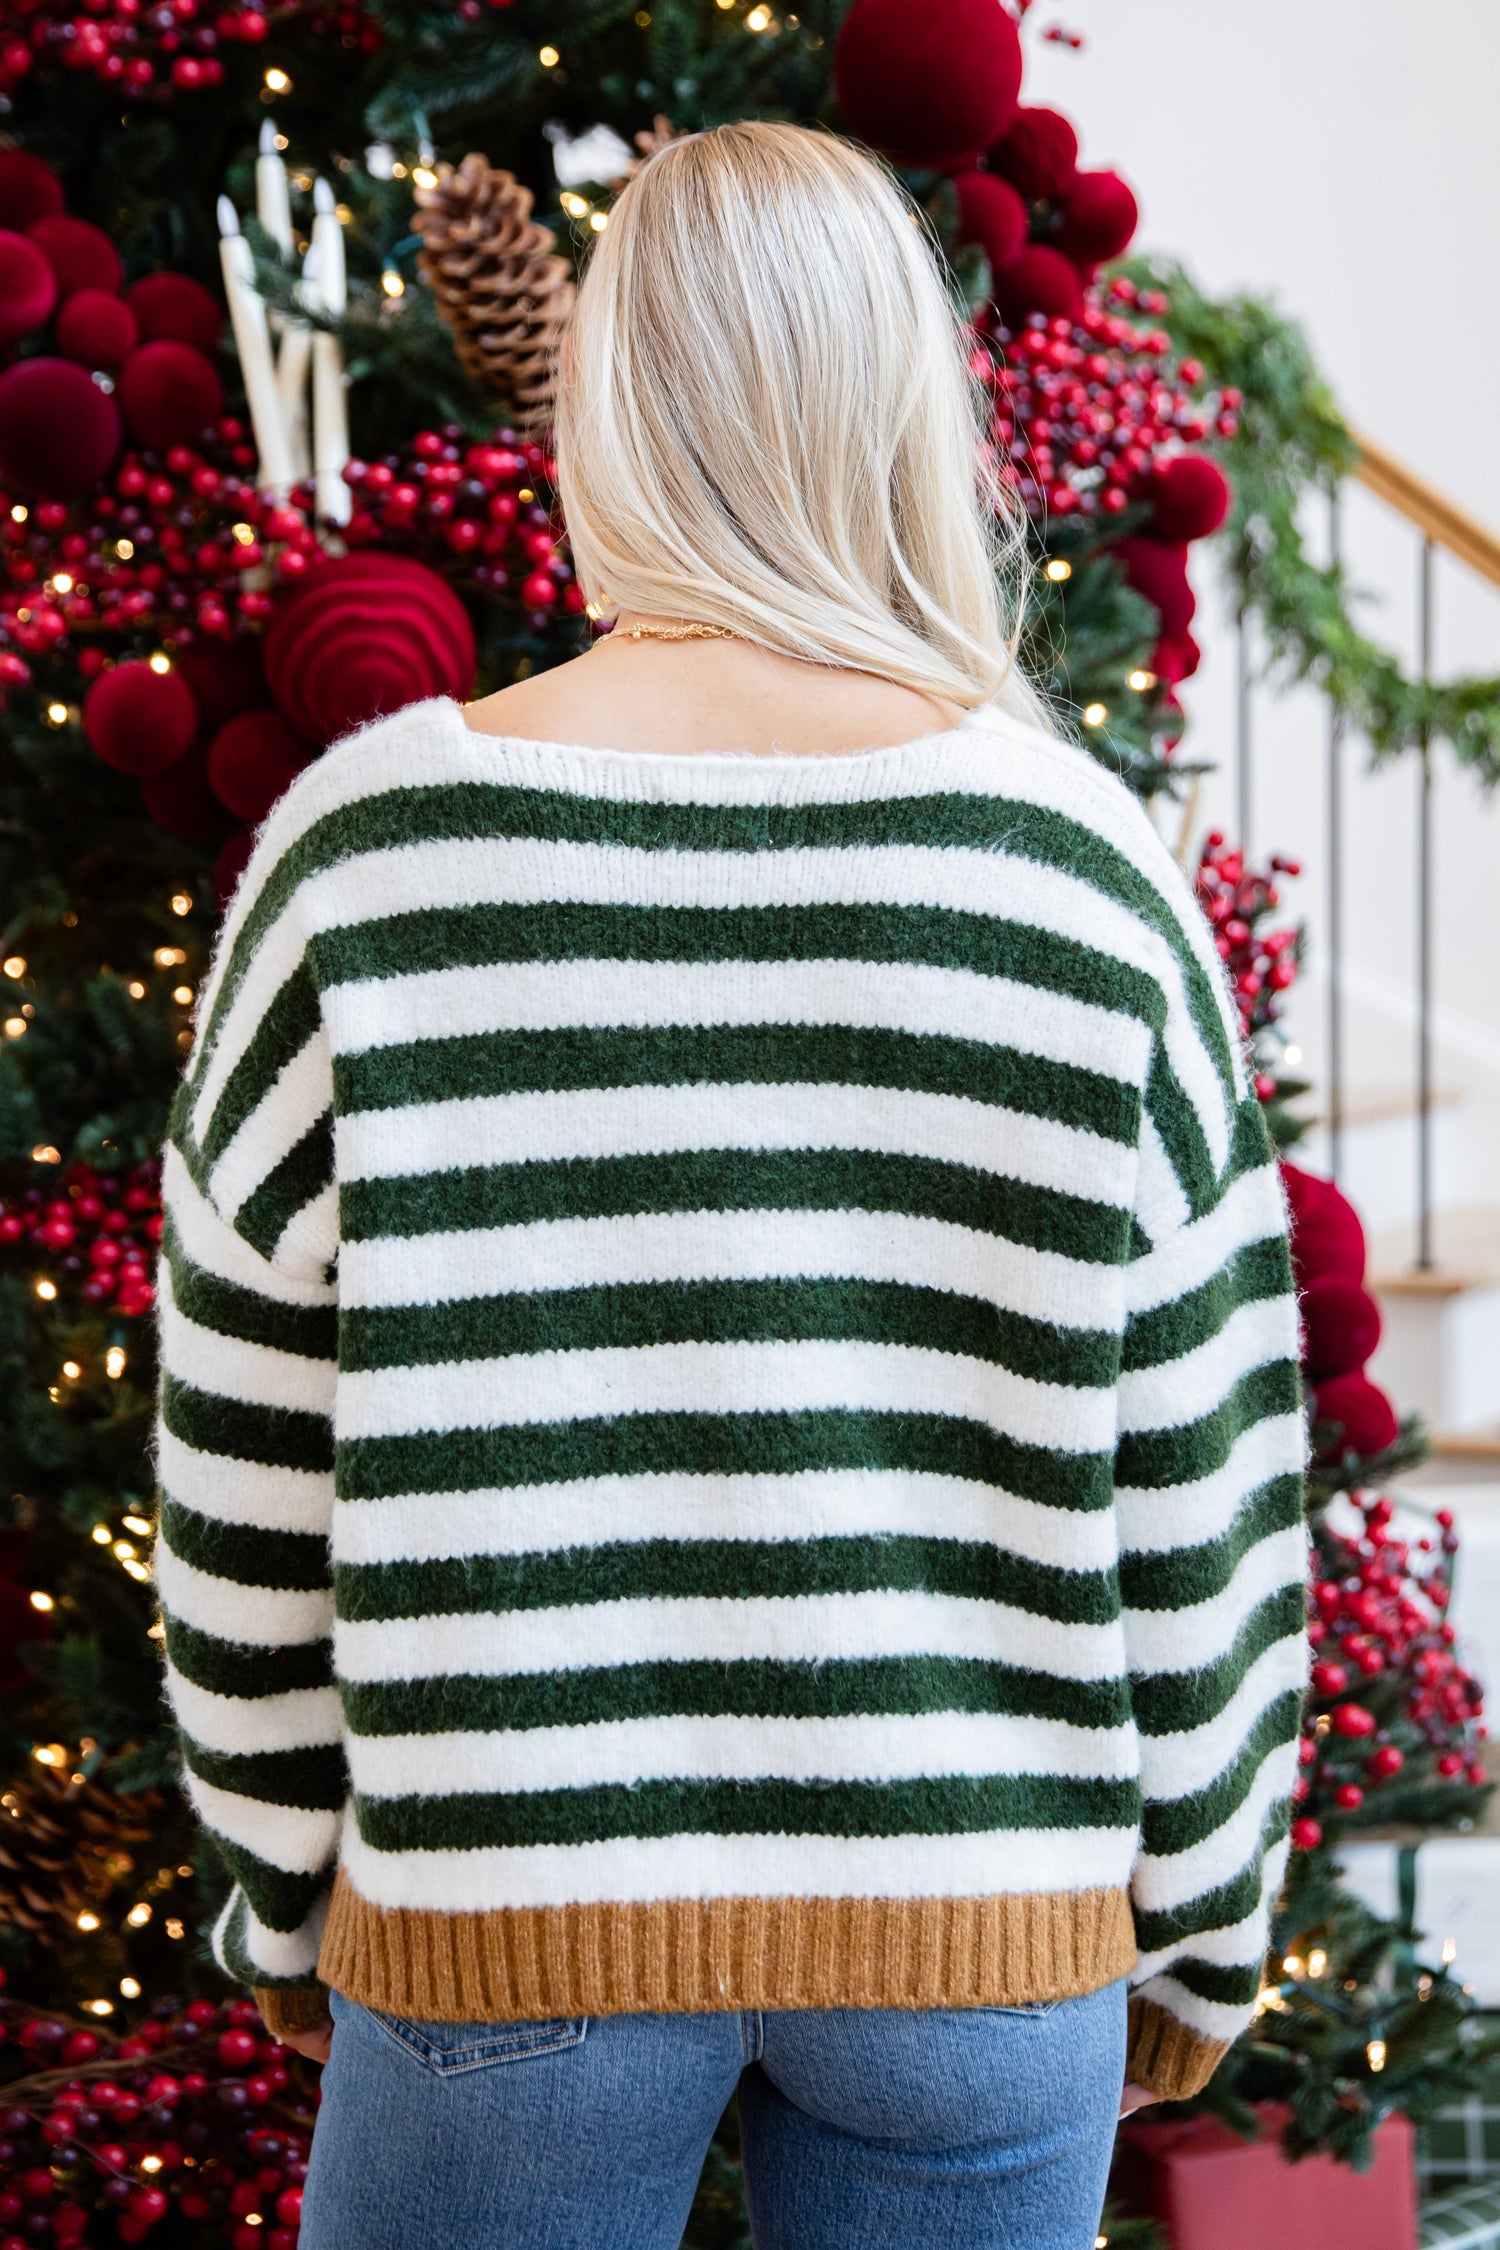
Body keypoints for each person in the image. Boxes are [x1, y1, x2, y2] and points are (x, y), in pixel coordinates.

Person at [151, 118, 1307, 2250]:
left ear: (599, 407)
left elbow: (243, 1461)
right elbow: (1205, 1473)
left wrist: (286, 1880)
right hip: (985, 1930)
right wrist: (1209, 1920)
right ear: (902, 412)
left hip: (505, 1916)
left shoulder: (368, 853)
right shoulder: (1081, 868)